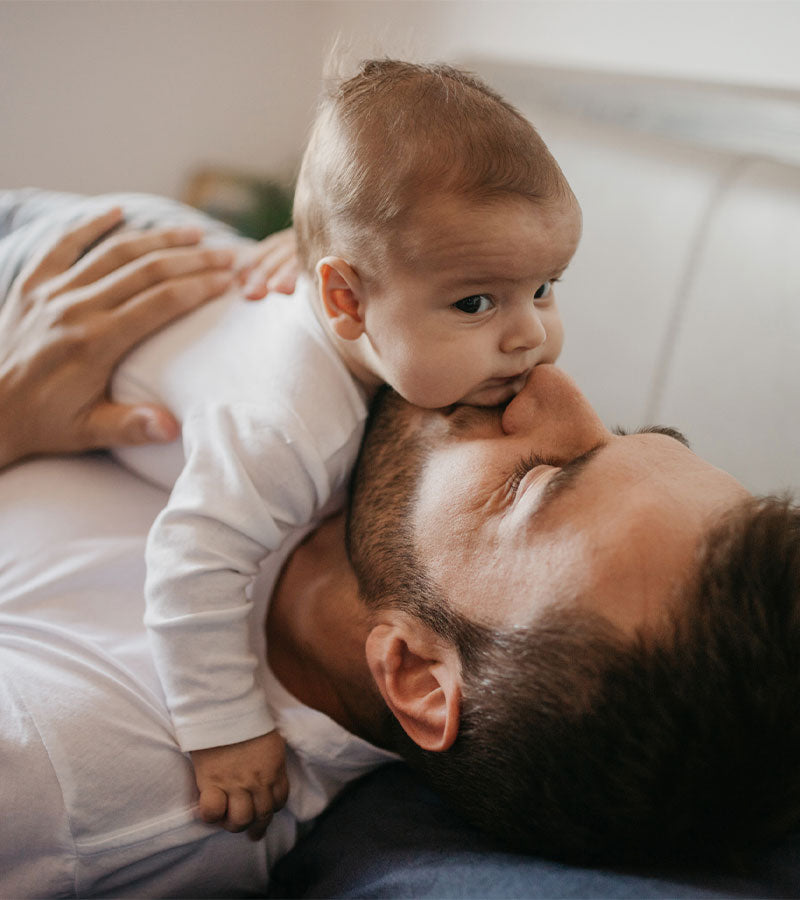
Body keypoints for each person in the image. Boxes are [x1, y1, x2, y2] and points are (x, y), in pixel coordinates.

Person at [3, 189, 800, 897]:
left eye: (542, 481)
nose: (553, 382)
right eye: (621, 431)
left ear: (416, 674)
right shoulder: (361, 453)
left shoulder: (70, 770)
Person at [104, 57, 578, 837]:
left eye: (547, 286)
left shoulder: (395, 326)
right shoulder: (285, 428)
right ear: (343, 299)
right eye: (475, 301)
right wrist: (224, 725)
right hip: (62, 262)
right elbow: (191, 562)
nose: (531, 334)